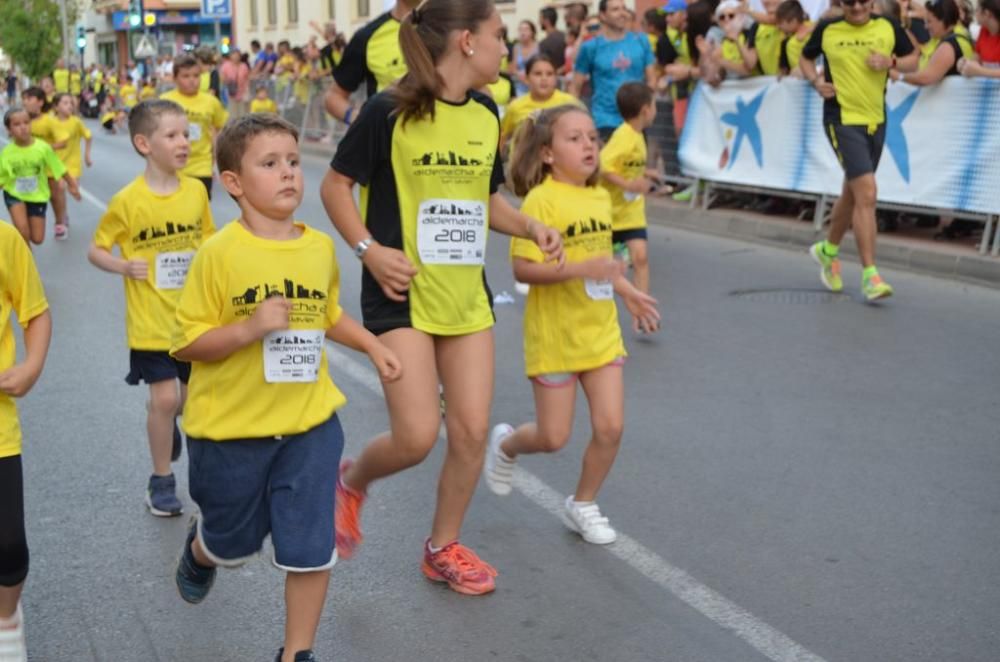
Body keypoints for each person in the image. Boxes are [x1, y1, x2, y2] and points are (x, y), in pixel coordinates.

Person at [320, 0, 564, 596]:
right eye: (498, 36)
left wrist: (530, 225)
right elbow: (335, 186)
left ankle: (441, 547)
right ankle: (352, 483)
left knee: (474, 432)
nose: (507, 49)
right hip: (399, 293)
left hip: (464, 296)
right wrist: (368, 250)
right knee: (416, 436)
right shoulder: (388, 111)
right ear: (465, 42)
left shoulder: (486, 112)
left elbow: (484, 200)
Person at [170, 113, 401, 662]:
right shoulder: (218, 254)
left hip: (308, 425)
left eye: (293, 162)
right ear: (233, 182)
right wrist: (250, 328)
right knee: (233, 546)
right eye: (269, 164)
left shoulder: (317, 247)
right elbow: (186, 343)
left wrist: (370, 343)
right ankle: (204, 550)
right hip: (230, 431)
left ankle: (296, 652)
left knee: (310, 548)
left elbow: (324, 314)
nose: (288, 174)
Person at [483, 105, 659, 543]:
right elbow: (524, 270)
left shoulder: (600, 197)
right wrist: (581, 270)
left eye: (592, 139)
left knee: (611, 426)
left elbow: (603, 263)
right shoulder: (540, 201)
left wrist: (628, 291)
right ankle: (506, 444)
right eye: (575, 139)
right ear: (546, 153)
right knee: (552, 436)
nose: (588, 146)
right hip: (556, 335)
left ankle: (583, 502)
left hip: (600, 330)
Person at [87, 99, 215, 517]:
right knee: (164, 399)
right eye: (173, 135)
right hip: (151, 321)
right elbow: (96, 250)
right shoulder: (128, 201)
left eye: (186, 134)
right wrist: (123, 265)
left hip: (194, 320)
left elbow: (210, 243)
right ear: (144, 143)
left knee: (188, 402)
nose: (184, 143)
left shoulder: (196, 191)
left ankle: (170, 427)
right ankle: (161, 480)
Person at [801, 0, 918, 301]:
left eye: (862, 2)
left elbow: (914, 59)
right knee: (866, 192)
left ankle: (828, 251)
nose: (856, 8)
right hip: (840, 119)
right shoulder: (827, 28)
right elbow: (804, 58)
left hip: (875, 119)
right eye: (849, 2)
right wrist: (816, 81)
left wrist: (890, 63)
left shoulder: (887, 26)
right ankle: (871, 276)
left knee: (853, 193)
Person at [0, 219, 52, 662]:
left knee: (8, 544)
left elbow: (34, 311)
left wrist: (31, 366)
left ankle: (6, 620)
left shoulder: (3, 238)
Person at [599, 82, 662, 307]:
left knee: (641, 257)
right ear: (646, 110)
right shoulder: (624, 136)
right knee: (606, 266)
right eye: (654, 105)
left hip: (632, 212)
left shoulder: (638, 135)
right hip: (611, 211)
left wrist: (646, 172)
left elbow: (627, 163)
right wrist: (629, 184)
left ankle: (642, 306)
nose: (656, 110)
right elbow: (604, 166)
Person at [570, 0, 658, 141]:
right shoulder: (590, 47)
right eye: (615, 9)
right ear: (603, 15)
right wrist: (575, 121)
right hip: (605, 122)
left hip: (636, 122)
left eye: (624, 8)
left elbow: (652, 79)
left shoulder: (642, 41)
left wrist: (645, 107)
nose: (622, 13)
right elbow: (575, 87)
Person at [323, 0, 419, 123]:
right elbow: (333, 96)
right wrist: (360, 121)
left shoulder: (448, 28)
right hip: (389, 139)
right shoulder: (367, 36)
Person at [0, 107, 80, 246]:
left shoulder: (43, 148)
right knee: (22, 231)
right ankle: (27, 264)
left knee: (37, 239)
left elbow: (60, 169)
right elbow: (2, 178)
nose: (23, 128)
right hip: (14, 194)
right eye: (17, 125)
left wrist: (72, 185)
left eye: (26, 123)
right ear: (9, 129)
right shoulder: (7, 153)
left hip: (37, 195)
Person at [161, 54, 229, 199]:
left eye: (196, 76)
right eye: (185, 76)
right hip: (172, 166)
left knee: (199, 211)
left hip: (201, 165)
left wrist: (214, 158)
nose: (192, 80)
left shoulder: (211, 102)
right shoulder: (165, 101)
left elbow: (219, 128)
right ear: (175, 78)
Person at [500, 54, 581, 155]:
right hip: (523, 165)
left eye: (549, 74)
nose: (544, 78)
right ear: (526, 78)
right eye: (538, 74)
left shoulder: (570, 104)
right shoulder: (515, 107)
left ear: (556, 78)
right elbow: (502, 136)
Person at [891, 0, 974, 83]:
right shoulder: (941, 37)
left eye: (929, 21)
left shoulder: (949, 45)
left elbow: (927, 78)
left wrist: (899, 76)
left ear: (943, 20)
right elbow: (919, 62)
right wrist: (891, 62)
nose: (925, 26)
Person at [49, 93, 92, 240]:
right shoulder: (51, 122)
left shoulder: (76, 122)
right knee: (59, 189)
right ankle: (62, 217)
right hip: (55, 165)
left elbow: (88, 136)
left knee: (68, 189)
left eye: (71, 103)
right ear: (56, 107)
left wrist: (87, 156)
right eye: (65, 103)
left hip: (72, 165)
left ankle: (64, 212)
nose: (69, 106)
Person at [958, 0, 1000, 75]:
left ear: (987, 13)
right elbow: (976, 59)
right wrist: (965, 63)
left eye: (977, 9)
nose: (975, 14)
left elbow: (978, 70)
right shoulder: (984, 31)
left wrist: (980, 71)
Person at [776, 0, 815, 76]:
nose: (778, 27)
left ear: (793, 21)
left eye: (781, 23)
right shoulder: (785, 42)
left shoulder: (791, 44)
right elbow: (783, 69)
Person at [510, 21, 541, 96]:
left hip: (535, 86)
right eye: (520, 29)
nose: (523, 32)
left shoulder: (538, 47)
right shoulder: (516, 47)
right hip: (520, 87)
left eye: (526, 29)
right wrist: (519, 74)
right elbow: (513, 68)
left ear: (532, 32)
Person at [221, 49, 251, 118]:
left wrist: (247, 90)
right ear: (230, 56)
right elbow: (222, 78)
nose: (236, 57)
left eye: (237, 55)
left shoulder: (244, 66)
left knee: (243, 114)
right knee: (232, 114)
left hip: (243, 93)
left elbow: (247, 78)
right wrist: (229, 82)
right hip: (230, 93)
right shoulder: (225, 65)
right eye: (233, 55)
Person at [538, 6, 568, 71]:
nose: (539, 21)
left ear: (546, 21)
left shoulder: (544, 43)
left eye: (540, 18)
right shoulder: (566, 36)